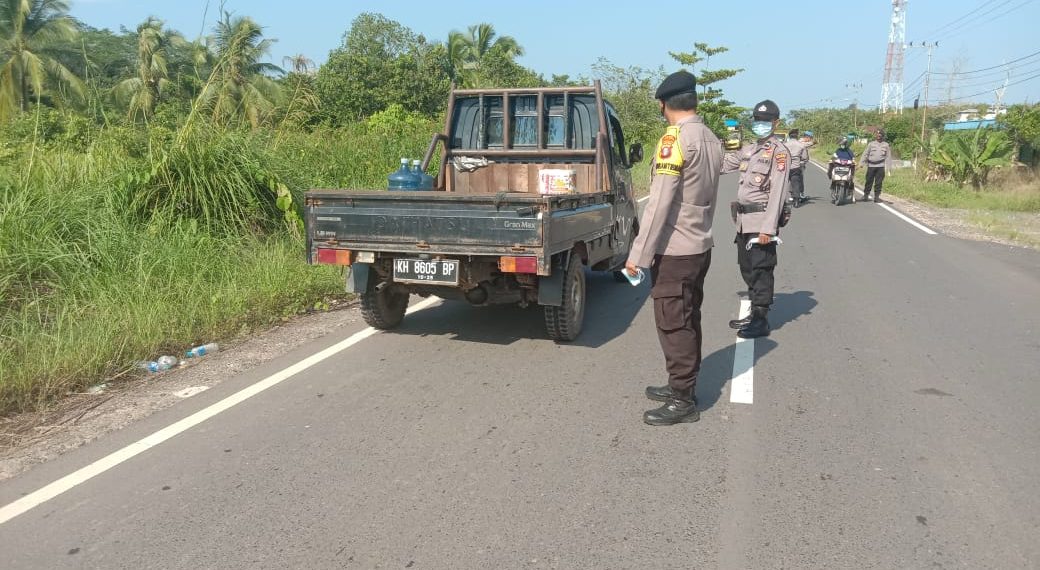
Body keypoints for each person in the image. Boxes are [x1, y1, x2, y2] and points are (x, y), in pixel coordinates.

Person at [625, 70, 723, 426]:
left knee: (673, 324)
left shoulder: (675, 140)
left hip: (676, 249)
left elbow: (659, 202)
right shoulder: (710, 137)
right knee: (688, 317)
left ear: (664, 105)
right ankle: (680, 384)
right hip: (699, 245)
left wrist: (637, 255)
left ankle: (683, 400)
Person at [721, 99, 791, 339]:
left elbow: (779, 192)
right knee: (747, 267)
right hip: (743, 219)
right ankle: (753, 312)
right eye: (758, 120)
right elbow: (723, 164)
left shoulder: (779, 153)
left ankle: (761, 319)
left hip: (761, 220)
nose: (761, 124)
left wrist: (768, 228)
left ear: (776, 123)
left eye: (766, 121)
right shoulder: (749, 149)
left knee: (761, 269)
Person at [860, 130, 893, 202]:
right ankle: (866, 195)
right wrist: (861, 163)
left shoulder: (886, 145)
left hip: (880, 166)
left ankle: (877, 197)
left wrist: (889, 169)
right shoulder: (871, 144)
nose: (878, 136)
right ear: (876, 136)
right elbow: (865, 154)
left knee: (879, 182)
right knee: (869, 181)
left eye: (880, 135)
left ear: (882, 136)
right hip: (871, 166)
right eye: (877, 135)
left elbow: (888, 157)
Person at [785, 128, 810, 204]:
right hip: (796, 166)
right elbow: (805, 157)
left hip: (786, 167)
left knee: (783, 184)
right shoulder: (801, 145)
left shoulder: (784, 145)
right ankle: (796, 199)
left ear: (789, 136)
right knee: (796, 182)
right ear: (797, 136)